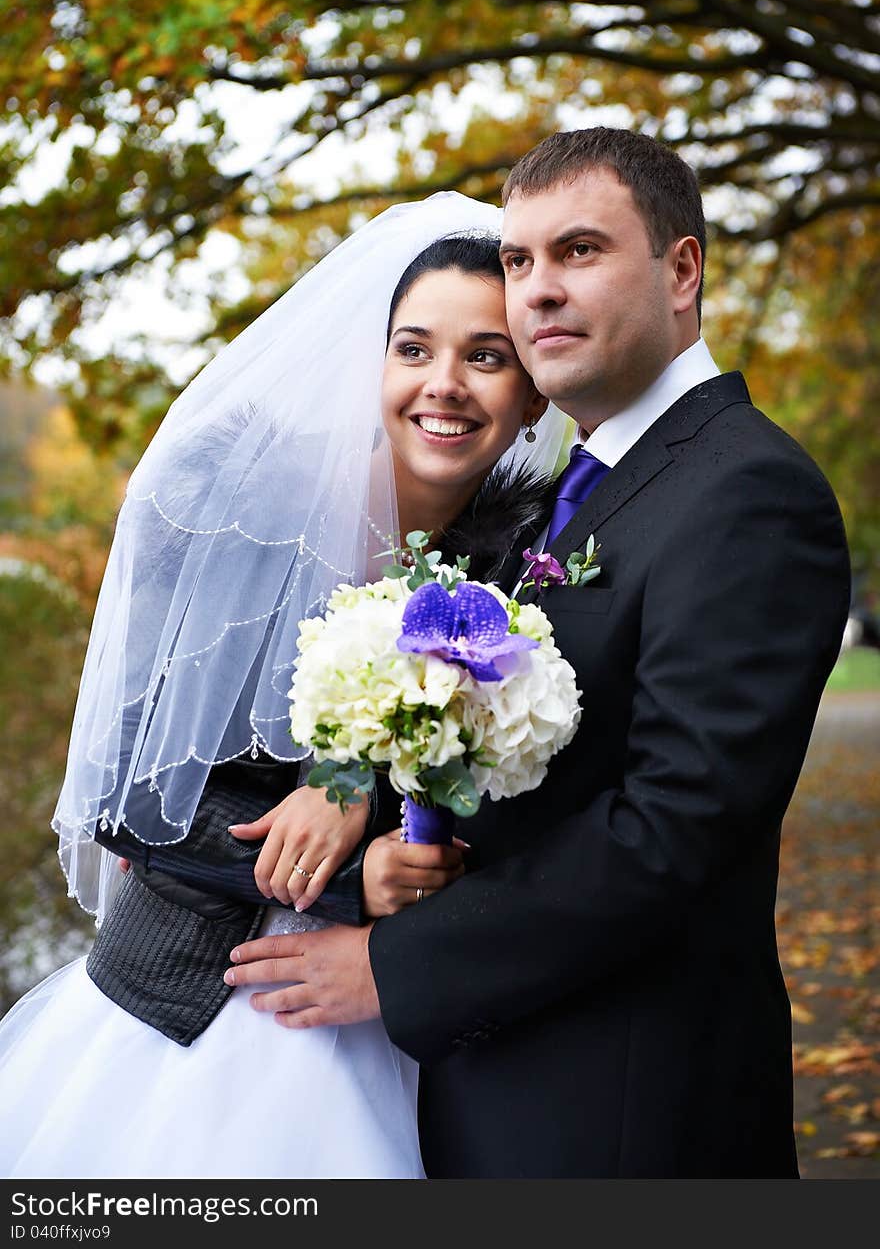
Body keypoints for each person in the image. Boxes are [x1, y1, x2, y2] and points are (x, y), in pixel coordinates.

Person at [227, 127, 852, 1177]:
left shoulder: (747, 491)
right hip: (511, 1077)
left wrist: (399, 966)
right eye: (519, 262)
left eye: (579, 252)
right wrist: (373, 804)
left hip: (619, 1109)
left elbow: (674, 825)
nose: (537, 292)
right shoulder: (586, 488)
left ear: (681, 269)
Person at [0, 192, 566, 1179]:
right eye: (413, 348)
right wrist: (355, 872)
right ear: (376, 363)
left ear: (533, 394)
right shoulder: (234, 523)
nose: (444, 384)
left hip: (409, 1018)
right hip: (194, 1010)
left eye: (485, 356)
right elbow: (134, 794)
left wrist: (399, 842)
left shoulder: (534, 571)